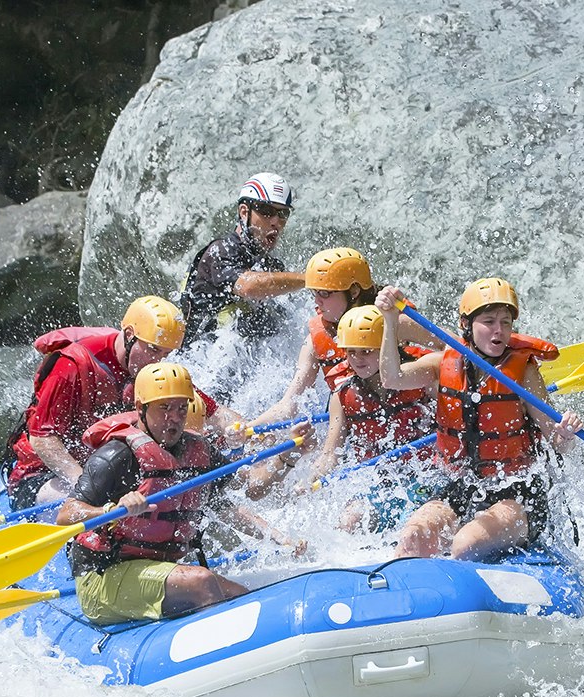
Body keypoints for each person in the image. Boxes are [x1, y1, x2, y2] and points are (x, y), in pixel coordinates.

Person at [57, 362, 308, 624]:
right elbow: (65, 515)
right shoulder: (117, 456)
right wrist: (111, 511)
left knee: (238, 594)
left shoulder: (198, 451)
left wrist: (288, 457)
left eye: (181, 408)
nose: (174, 418)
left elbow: (250, 490)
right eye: (164, 408)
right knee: (202, 581)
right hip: (104, 577)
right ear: (141, 409)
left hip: (160, 569)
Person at [375, 279, 583, 560]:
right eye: (489, 321)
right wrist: (390, 320)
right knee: (413, 537)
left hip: (516, 494)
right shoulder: (442, 363)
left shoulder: (524, 373)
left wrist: (565, 433)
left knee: (465, 545)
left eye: (506, 322)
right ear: (466, 324)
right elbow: (392, 378)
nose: (499, 330)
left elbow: (557, 443)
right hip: (461, 487)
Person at [2, 297, 239, 509]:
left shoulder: (150, 373)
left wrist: (240, 430)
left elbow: (215, 413)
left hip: (109, 470)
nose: (156, 361)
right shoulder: (71, 365)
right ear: (129, 335)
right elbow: (43, 441)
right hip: (43, 477)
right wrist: (89, 486)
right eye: (153, 350)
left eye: (165, 355)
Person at [251, 247, 438, 428]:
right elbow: (288, 405)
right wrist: (249, 428)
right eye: (314, 293)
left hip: (412, 417)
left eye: (324, 293)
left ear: (354, 291)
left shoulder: (393, 321)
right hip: (357, 423)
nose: (317, 301)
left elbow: (451, 351)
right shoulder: (315, 341)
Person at [308, 305, 438, 532]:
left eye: (367, 351)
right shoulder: (342, 395)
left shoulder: (419, 379)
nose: (358, 359)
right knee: (348, 522)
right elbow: (330, 454)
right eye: (352, 352)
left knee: (411, 525)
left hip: (424, 477)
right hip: (378, 484)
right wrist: (312, 479)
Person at [177, 173, 307, 357]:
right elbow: (248, 286)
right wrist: (310, 278)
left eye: (283, 213)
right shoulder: (220, 252)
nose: (276, 221)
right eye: (266, 211)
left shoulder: (271, 266)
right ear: (244, 212)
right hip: (197, 361)